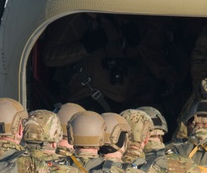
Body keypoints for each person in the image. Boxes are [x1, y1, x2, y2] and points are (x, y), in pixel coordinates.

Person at [41, 13, 177, 111]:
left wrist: (132, 43)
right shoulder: (75, 19)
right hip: (87, 99)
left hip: (116, 99)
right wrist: (87, 46)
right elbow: (50, 57)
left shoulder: (111, 18)